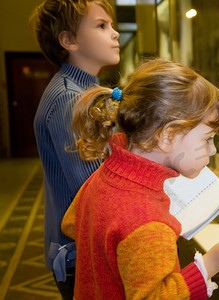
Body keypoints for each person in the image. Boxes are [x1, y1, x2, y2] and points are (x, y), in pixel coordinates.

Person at [61, 58, 219, 299]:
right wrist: (209, 265)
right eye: (207, 139)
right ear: (167, 136)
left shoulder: (107, 173)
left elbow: (71, 222)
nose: (213, 150)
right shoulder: (148, 221)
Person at [30, 0, 120, 298]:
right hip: (82, 255)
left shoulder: (83, 92)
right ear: (69, 40)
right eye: (101, 26)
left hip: (84, 248)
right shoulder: (70, 99)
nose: (115, 33)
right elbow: (95, 190)